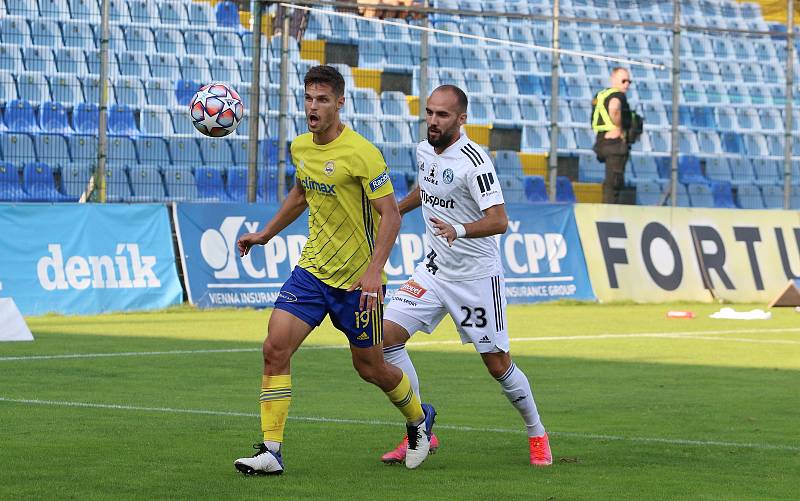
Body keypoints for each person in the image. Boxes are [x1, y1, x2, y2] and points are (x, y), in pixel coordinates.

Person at [234, 65, 436, 475]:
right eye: (308, 98)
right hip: (312, 273)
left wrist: (375, 271)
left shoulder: (362, 153)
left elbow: (392, 215)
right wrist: (267, 234)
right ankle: (271, 451)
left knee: (371, 368)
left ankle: (418, 421)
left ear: (340, 102)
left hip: (357, 283)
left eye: (322, 100)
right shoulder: (301, 148)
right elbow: (300, 192)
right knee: (274, 349)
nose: (313, 107)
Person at [378, 85, 553, 467]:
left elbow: (499, 220)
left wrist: (460, 230)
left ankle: (537, 433)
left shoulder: (475, 162)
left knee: (498, 365)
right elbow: (425, 190)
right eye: (429, 113)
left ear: (461, 119)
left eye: (443, 115)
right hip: (435, 269)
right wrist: (390, 210)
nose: (434, 121)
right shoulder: (425, 149)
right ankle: (420, 426)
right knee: (385, 341)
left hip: (475, 278)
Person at [592, 67, 633, 204]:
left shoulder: (601, 95)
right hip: (614, 143)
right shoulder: (617, 96)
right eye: (623, 80)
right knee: (615, 183)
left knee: (610, 180)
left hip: (601, 141)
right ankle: (609, 213)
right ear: (614, 79)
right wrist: (620, 128)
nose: (626, 84)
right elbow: (614, 109)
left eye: (629, 81)